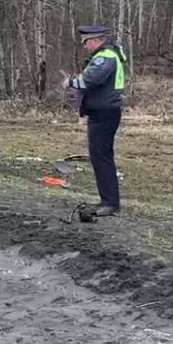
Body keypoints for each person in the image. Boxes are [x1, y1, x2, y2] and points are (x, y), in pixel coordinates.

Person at [63, 24, 126, 217]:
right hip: (104, 111)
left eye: (86, 42)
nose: (85, 46)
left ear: (96, 39)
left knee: (101, 156)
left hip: (104, 113)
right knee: (100, 156)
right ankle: (106, 200)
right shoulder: (107, 55)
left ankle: (110, 203)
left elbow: (91, 79)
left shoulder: (105, 56)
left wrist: (71, 82)